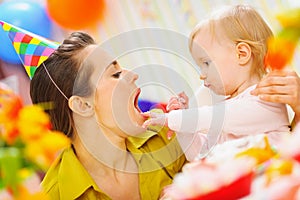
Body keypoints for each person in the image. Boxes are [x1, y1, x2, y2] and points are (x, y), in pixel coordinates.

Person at [30, 32, 186, 199]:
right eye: (115, 74)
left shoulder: (164, 133)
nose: (133, 75)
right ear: (83, 105)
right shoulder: (54, 195)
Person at [143, 4, 291, 161]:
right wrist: (184, 132)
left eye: (206, 63)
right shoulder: (228, 109)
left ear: (242, 54)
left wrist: (173, 118)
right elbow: (201, 154)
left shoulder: (267, 100)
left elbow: (214, 116)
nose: (202, 75)